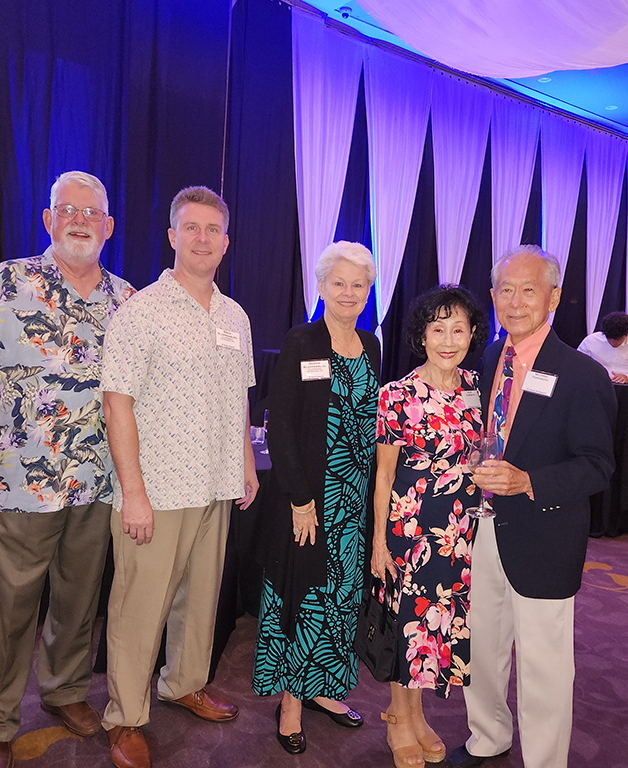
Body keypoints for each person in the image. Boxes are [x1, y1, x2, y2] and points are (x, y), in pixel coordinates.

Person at [0, 171, 135, 768]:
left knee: (79, 601)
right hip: (15, 482)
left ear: (108, 225)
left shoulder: (126, 300)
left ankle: (66, 691)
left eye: (92, 212)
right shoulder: (2, 283)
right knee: (5, 608)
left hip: (98, 483)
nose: (80, 220)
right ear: (48, 220)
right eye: (67, 210)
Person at [99, 186, 258, 768]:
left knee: (200, 597)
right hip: (157, 490)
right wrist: (133, 495)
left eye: (212, 230)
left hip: (215, 483)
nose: (202, 239)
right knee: (140, 605)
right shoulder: (139, 314)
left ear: (225, 241)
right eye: (190, 228)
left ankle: (183, 682)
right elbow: (117, 406)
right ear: (171, 236)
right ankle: (124, 716)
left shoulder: (234, 315)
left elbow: (239, 397)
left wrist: (244, 463)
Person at [448, 246, 616, 768]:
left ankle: (545, 761)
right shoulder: (482, 358)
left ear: (554, 297)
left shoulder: (583, 374)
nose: (515, 301)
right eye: (505, 289)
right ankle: (488, 736)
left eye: (528, 289)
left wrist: (527, 482)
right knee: (482, 645)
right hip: (478, 529)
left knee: (544, 664)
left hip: (544, 535)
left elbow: (597, 466)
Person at [252, 241, 381, 755]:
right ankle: (290, 703)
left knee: (343, 598)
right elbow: (278, 423)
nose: (348, 293)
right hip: (310, 501)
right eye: (339, 283)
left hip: (355, 500)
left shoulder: (370, 345)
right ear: (322, 286)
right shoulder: (302, 340)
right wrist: (300, 499)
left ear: (368, 291)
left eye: (358, 285)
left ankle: (327, 689)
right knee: (303, 598)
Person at [371, 285, 488, 768]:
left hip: (460, 530)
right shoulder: (396, 394)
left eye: (457, 329)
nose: (447, 339)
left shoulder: (478, 387)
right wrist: (379, 542)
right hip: (412, 527)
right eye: (437, 328)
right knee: (408, 624)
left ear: (472, 333)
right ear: (421, 335)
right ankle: (398, 717)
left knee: (437, 624)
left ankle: (417, 717)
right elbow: (382, 475)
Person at [576, 310, 628, 385]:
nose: (613, 343)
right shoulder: (591, 341)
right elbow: (577, 367)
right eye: (609, 338)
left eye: (618, 339)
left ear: (627, 333)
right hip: (594, 387)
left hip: (627, 391)